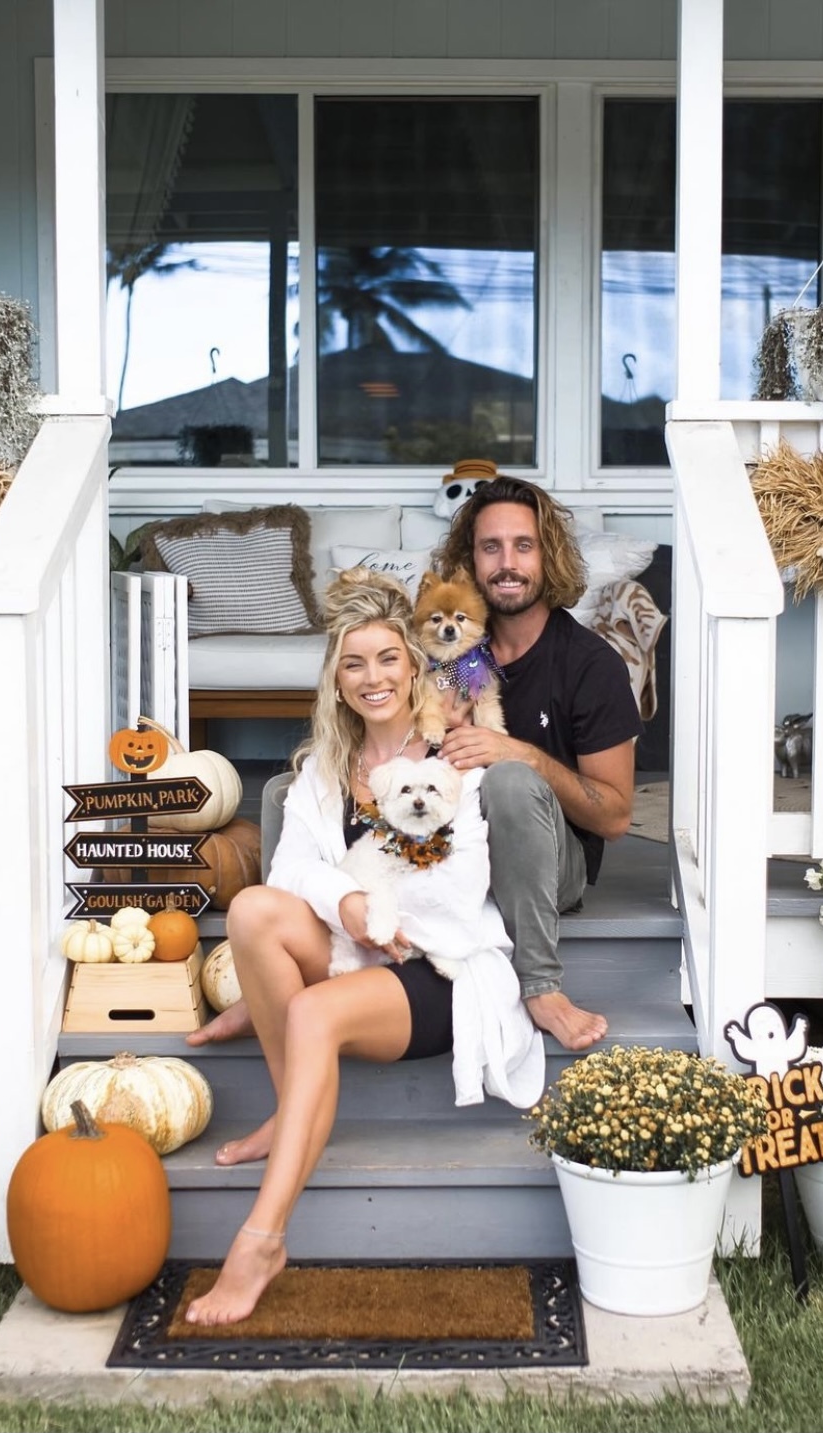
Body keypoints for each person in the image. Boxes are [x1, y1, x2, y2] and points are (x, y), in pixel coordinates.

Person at [183, 568, 541, 1327]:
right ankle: (297, 1110)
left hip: (433, 966)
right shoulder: (325, 769)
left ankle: (261, 1239)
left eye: (387, 659)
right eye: (354, 663)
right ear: (337, 680)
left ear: (413, 666)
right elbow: (287, 873)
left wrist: (375, 912)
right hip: (358, 950)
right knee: (252, 909)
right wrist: (348, 905)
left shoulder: (451, 760)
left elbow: (461, 885)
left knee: (311, 1012)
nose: (372, 677)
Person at [435, 474, 643, 1053]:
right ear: (470, 561)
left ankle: (540, 986)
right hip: (464, 848)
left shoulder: (589, 664)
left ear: (547, 557)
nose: (507, 563)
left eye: (523, 546)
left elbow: (615, 817)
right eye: (491, 547)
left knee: (508, 779)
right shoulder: (460, 654)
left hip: (554, 864)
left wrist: (521, 754)